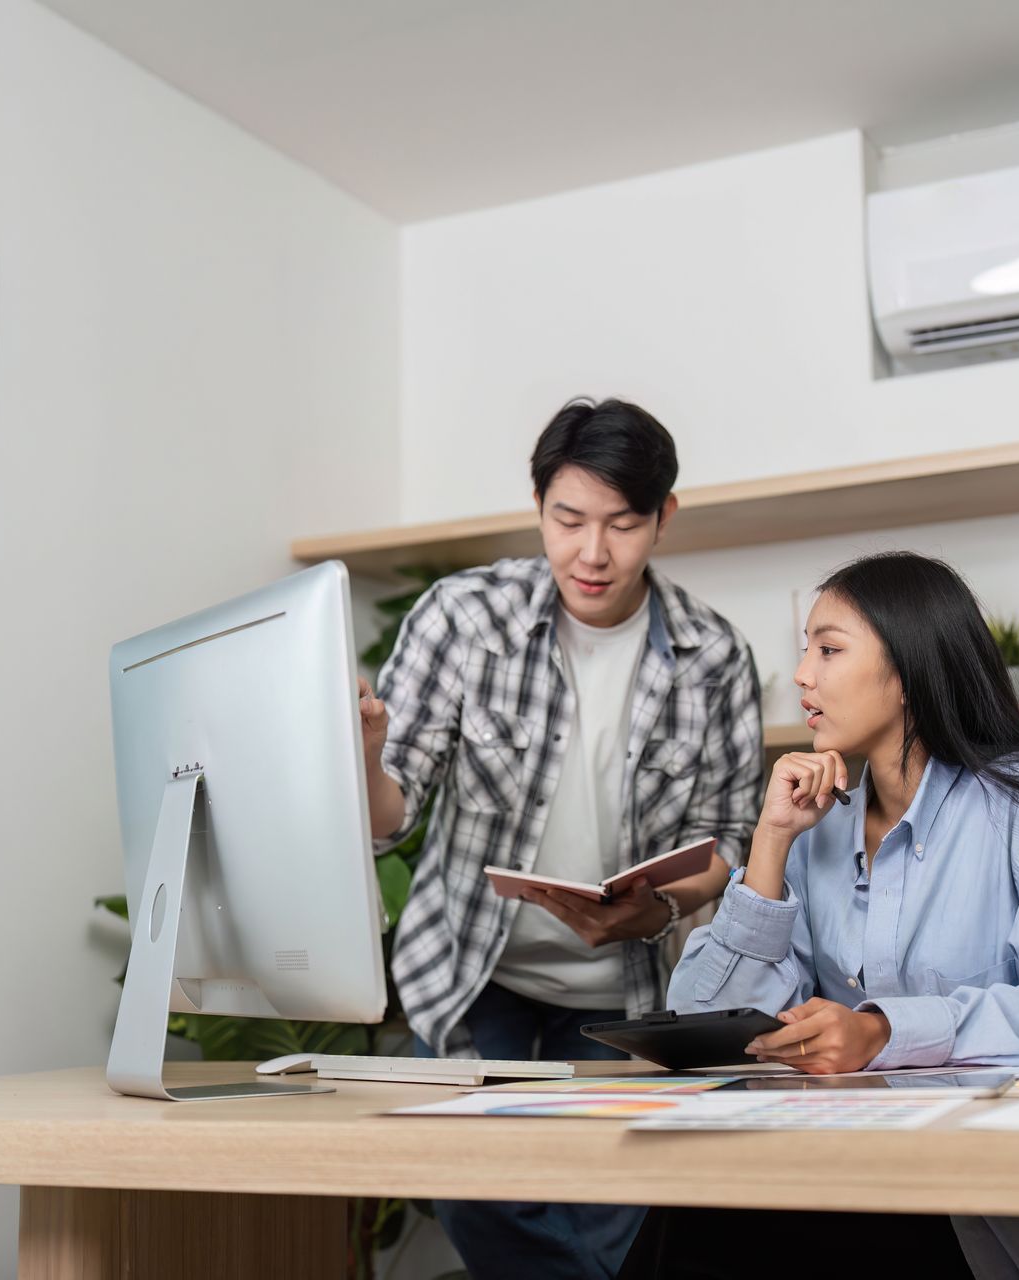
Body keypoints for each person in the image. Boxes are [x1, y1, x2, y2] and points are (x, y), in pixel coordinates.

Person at [619, 551, 1019, 1280]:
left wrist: (880, 1033)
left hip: (994, 1199)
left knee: (719, 1223)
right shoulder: (822, 826)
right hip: (859, 1167)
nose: (802, 676)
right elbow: (701, 1016)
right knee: (697, 1205)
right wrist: (772, 842)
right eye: (805, 651)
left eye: (829, 649)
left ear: (906, 672)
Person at [359, 397, 763, 1280]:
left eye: (622, 524)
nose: (592, 553)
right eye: (568, 519)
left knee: (613, 1212)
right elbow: (393, 821)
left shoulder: (714, 655)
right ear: (537, 505)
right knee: (468, 1188)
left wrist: (661, 905)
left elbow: (730, 836)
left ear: (665, 517)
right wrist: (364, 756)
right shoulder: (464, 618)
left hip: (622, 988)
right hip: (475, 968)